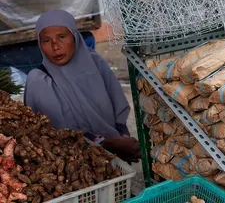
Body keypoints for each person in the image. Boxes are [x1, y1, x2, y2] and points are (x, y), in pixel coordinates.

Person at [24, 10, 141, 163]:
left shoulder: (93, 61)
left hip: (114, 157)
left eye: (62, 36)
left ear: (75, 36)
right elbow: (55, 134)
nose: (55, 46)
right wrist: (111, 144)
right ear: (40, 45)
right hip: (69, 165)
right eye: (46, 41)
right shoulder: (38, 80)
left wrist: (123, 139)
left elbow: (117, 102)